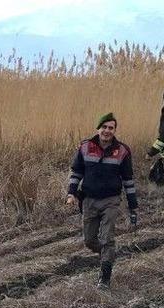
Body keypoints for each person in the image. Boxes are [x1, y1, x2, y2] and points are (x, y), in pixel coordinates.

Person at [66, 112, 138, 290]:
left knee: (107, 238)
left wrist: (133, 206)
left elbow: (128, 181)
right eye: (104, 127)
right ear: (98, 129)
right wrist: (71, 193)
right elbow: (77, 172)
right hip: (89, 200)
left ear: (115, 130)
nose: (107, 131)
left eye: (111, 128)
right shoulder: (85, 147)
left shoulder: (122, 151)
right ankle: (108, 255)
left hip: (111, 201)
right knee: (89, 241)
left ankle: (104, 278)